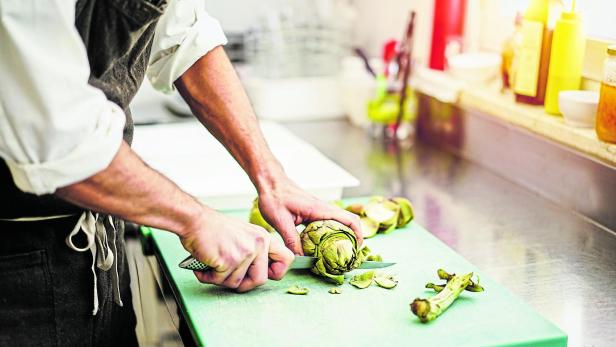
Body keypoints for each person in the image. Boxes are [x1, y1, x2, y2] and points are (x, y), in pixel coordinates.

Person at [0, 0, 362, 345]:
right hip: (18, 270)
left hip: (97, 247)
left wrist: (272, 179)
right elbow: (54, 138)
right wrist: (196, 220)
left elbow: (185, 39)